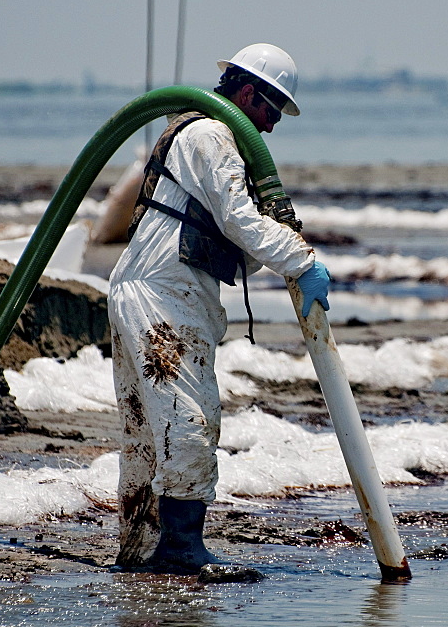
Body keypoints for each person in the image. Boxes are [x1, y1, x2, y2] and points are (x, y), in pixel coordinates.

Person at [108, 43, 331, 575]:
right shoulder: (210, 134)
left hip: (153, 289)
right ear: (249, 94)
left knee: (146, 429)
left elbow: (235, 242)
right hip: (163, 295)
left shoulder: (201, 136)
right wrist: (302, 260)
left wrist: (276, 252)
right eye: (271, 113)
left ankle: (142, 551)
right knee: (190, 418)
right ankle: (181, 550)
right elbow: (238, 220)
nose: (271, 130)